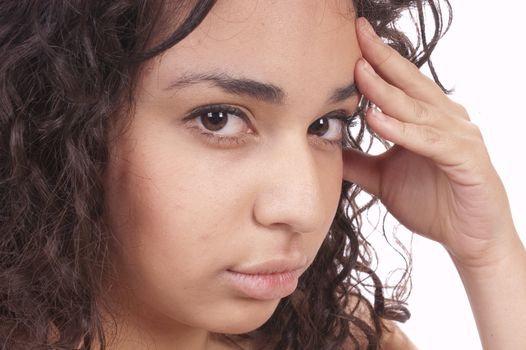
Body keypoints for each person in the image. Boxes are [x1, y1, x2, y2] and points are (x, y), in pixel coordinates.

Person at [1, 0, 525, 349]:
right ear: (66, 118)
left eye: (326, 124)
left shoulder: (338, 335)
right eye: (218, 118)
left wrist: (490, 254)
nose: (302, 207)